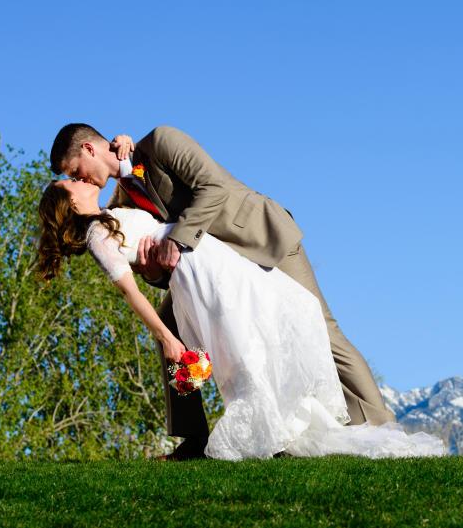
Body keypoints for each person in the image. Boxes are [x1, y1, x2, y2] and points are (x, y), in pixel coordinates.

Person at [50, 123, 395, 460]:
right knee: (168, 327)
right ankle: (193, 437)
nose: (80, 180)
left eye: (76, 171)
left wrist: (176, 240)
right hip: (214, 269)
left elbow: (212, 187)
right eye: (74, 179)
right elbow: (156, 255)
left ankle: (380, 425)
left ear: (89, 149)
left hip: (259, 237)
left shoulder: (159, 142)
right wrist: (153, 270)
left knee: (321, 326)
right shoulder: (123, 199)